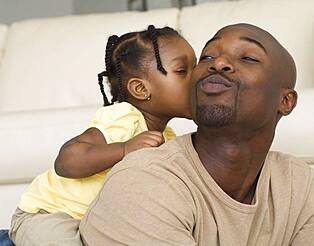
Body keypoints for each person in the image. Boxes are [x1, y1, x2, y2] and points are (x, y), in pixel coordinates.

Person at [80, 23, 314, 245]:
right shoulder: (145, 180)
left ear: (285, 101)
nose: (218, 63)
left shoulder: (295, 181)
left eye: (248, 58)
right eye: (207, 57)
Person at [9, 25, 196, 246]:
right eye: (183, 71)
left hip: (96, 223)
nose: (198, 77)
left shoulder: (167, 136)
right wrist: (124, 149)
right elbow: (67, 160)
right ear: (141, 89)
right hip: (50, 215)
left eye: (197, 66)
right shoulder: (124, 118)